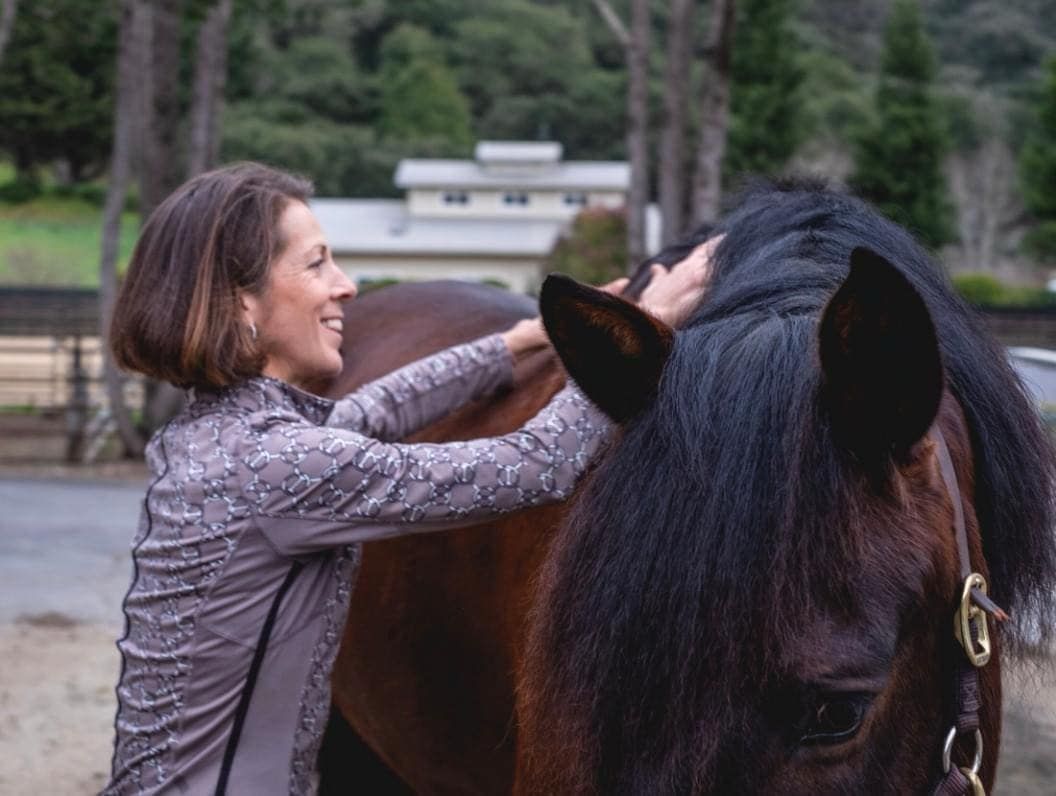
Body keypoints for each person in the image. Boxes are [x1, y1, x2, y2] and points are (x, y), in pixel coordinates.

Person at [102, 162, 712, 795]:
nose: (346, 286)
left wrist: (517, 343)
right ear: (241, 301)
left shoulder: (211, 440)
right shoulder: (275, 467)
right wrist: (640, 333)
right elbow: (540, 463)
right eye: (316, 265)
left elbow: (374, 411)